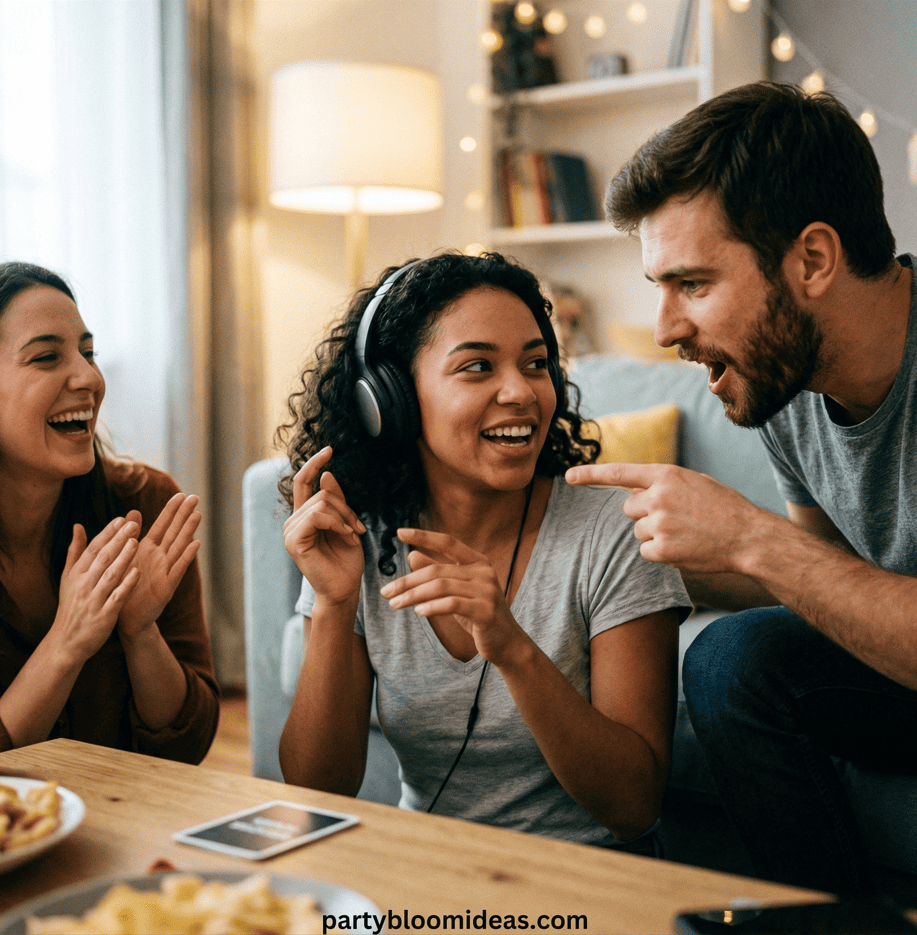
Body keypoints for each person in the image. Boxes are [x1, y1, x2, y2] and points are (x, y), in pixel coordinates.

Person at [565, 81, 917, 894]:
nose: (663, 329)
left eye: (690, 284)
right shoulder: (784, 381)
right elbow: (821, 579)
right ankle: (818, 920)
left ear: (812, 259)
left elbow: (783, 557)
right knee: (732, 657)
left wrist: (751, 535)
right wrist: (622, 554)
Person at [277, 251, 689, 850]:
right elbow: (319, 790)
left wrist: (511, 646)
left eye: (536, 364)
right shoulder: (356, 541)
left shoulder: (613, 531)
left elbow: (633, 805)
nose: (521, 392)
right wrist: (335, 604)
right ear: (388, 399)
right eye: (477, 367)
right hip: (432, 878)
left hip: (591, 881)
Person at [0, 261, 219, 763]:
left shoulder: (146, 507)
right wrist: (68, 640)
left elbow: (189, 745)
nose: (89, 377)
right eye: (47, 357)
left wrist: (139, 632)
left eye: (88, 353)